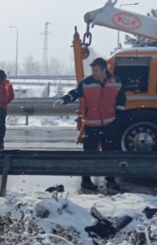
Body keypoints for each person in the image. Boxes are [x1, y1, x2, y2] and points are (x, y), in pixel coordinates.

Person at [54, 57, 125, 191]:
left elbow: (121, 100)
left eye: (96, 70)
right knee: (88, 154)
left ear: (104, 70)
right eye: (92, 70)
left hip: (109, 123)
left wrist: (119, 118)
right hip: (91, 125)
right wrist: (64, 100)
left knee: (110, 153)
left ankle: (110, 179)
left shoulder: (116, 82)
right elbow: (75, 93)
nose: (93, 73)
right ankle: (86, 181)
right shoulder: (86, 83)